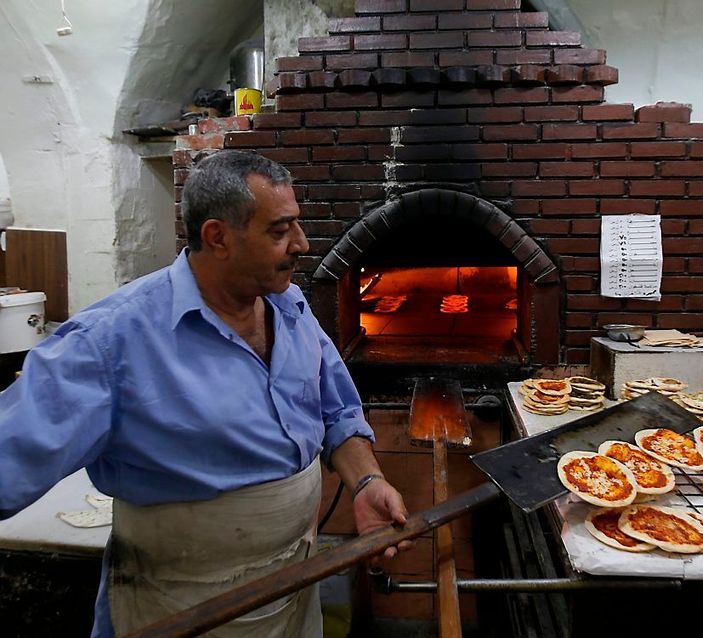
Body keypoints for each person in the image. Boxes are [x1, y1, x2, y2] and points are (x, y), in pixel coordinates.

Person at [0, 150, 411, 636]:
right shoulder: (110, 343)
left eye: (296, 225)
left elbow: (337, 411)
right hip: (177, 605)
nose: (301, 243)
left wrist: (366, 482)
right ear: (218, 237)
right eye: (279, 231)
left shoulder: (290, 305)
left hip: (292, 590)